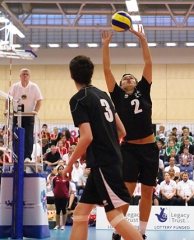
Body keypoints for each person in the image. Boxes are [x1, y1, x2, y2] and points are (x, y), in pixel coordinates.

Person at [62, 55, 142, 240]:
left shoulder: (78, 99)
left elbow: (87, 136)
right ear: (91, 74)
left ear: (72, 75)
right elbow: (121, 131)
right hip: (105, 161)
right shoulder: (103, 95)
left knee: (114, 217)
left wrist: (69, 164)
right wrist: (94, 149)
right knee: (81, 214)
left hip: (104, 163)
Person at [102, 28, 159, 240]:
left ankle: (141, 232)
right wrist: (106, 45)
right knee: (127, 189)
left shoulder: (144, 90)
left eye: (130, 78)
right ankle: (119, 231)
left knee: (147, 192)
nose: (127, 79)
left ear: (135, 83)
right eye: (124, 78)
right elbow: (107, 70)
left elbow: (148, 63)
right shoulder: (116, 96)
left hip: (150, 148)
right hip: (129, 148)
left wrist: (143, 40)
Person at [7, 68, 42, 160]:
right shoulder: (15, 86)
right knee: (16, 135)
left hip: (29, 115)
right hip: (17, 115)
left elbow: (39, 100)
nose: (25, 76)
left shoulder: (34, 86)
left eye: (27, 74)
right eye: (23, 74)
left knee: (28, 136)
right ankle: (16, 156)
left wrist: (35, 111)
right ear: (20, 76)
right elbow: (8, 99)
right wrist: (7, 110)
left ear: (29, 76)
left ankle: (27, 156)